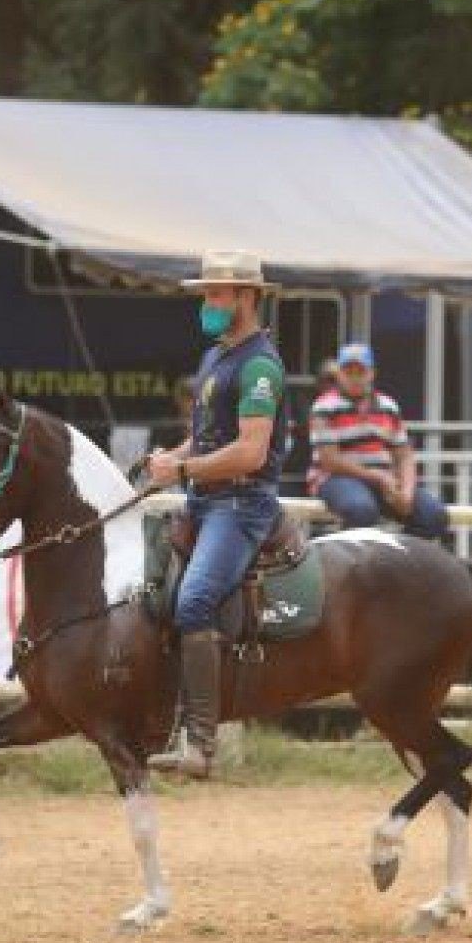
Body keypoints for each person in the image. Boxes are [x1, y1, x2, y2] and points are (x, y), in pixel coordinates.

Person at [142, 250, 290, 779]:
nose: (206, 304)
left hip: (240, 505)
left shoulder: (258, 366)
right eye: (205, 294)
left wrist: (182, 473)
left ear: (247, 298)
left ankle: (202, 745)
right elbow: (208, 437)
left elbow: (250, 452)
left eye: (216, 294)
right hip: (205, 499)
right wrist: (173, 458)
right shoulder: (217, 358)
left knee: (196, 598)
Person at [307, 341, 450, 541]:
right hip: (336, 478)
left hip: (384, 480)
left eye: (361, 371)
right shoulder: (324, 406)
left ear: (372, 373)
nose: (355, 377)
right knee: (361, 510)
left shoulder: (388, 405)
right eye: (349, 371)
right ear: (339, 373)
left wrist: (407, 492)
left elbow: (404, 455)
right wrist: (378, 477)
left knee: (433, 514)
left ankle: (404, 564)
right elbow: (330, 461)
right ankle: (356, 568)